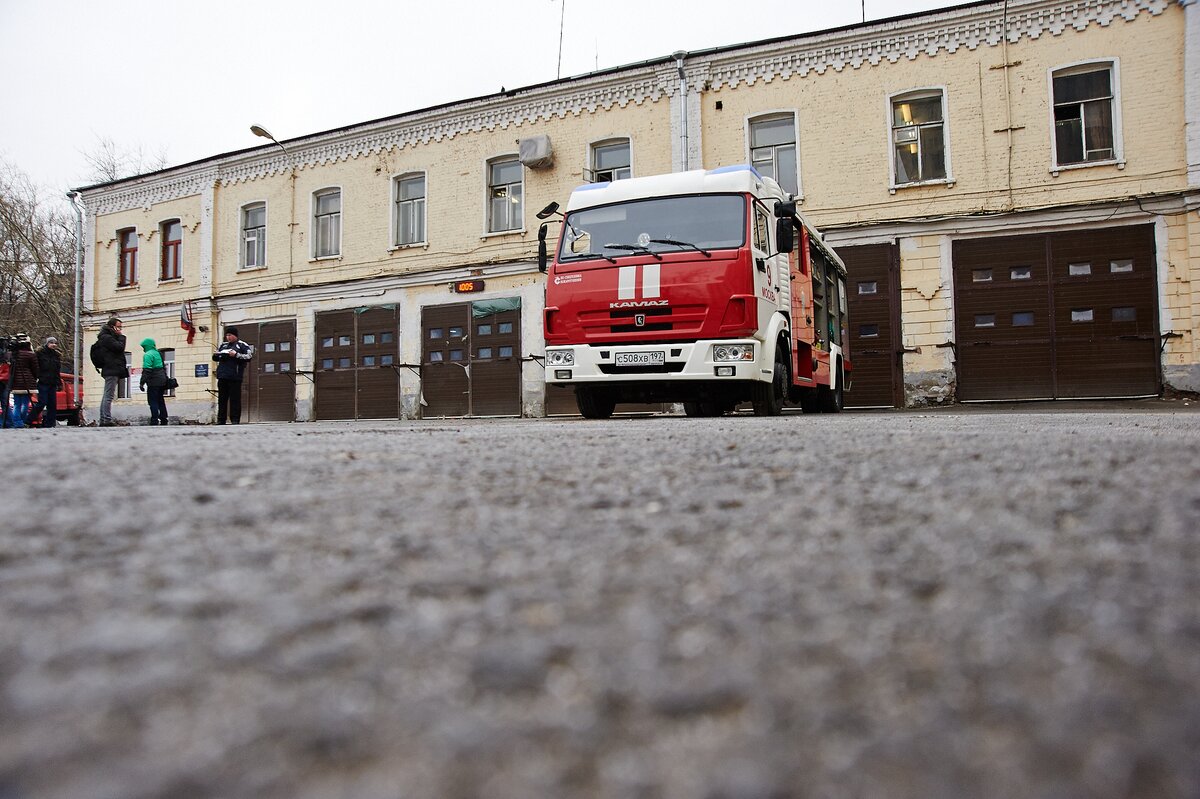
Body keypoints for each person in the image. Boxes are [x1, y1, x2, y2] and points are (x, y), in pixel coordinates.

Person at [212, 326, 253, 424]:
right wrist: (216, 355)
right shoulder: (223, 345)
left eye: (230, 335)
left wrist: (236, 355)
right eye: (227, 335)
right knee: (222, 399)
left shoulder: (242, 345)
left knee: (235, 399)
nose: (228, 337)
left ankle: (235, 419)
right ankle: (221, 419)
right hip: (222, 376)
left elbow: (249, 356)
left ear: (235, 335)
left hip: (235, 376)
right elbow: (216, 358)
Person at [95, 318, 127, 427]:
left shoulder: (105, 337)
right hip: (111, 368)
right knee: (108, 395)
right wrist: (121, 337)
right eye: (119, 326)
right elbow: (119, 347)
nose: (120, 329)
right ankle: (106, 419)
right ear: (112, 326)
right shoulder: (107, 338)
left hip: (110, 368)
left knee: (107, 395)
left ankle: (104, 418)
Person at [29, 336, 63, 428]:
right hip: (43, 381)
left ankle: (50, 424)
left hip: (53, 382)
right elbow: (35, 367)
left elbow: (57, 371)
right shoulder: (40, 354)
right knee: (42, 402)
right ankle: (29, 420)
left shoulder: (56, 355)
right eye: (51, 343)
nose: (54, 345)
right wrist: (37, 377)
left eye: (55, 343)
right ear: (47, 344)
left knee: (52, 405)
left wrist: (59, 382)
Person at [7, 334, 39, 429]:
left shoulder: (12, 354)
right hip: (27, 382)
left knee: (17, 403)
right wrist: (35, 378)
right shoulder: (31, 354)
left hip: (15, 381)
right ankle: (23, 420)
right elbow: (35, 369)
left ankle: (17, 422)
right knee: (25, 403)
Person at [138, 337, 169, 426]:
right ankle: (164, 418)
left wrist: (142, 383)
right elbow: (163, 367)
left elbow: (147, 370)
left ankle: (154, 419)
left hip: (153, 381)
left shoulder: (148, 355)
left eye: (144, 346)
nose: (143, 348)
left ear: (147, 346)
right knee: (160, 400)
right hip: (162, 380)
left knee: (153, 401)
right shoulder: (158, 353)